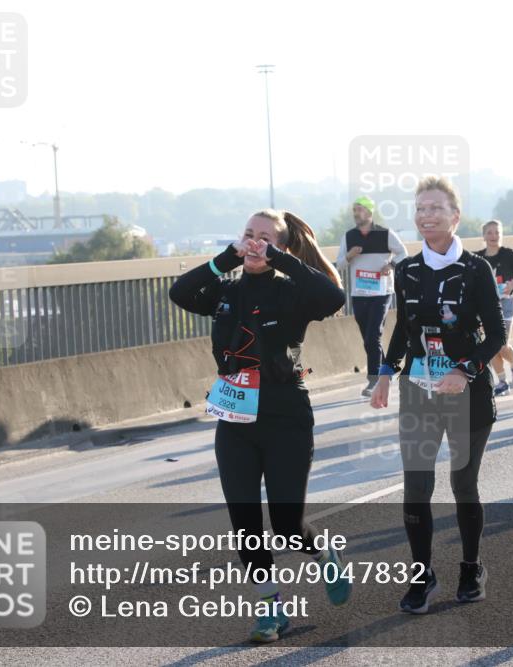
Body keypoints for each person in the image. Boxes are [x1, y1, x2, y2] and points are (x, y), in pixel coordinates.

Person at [169, 209, 350, 643]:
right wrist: (224, 259)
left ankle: (324, 551)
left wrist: (281, 260)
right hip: (234, 420)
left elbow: (333, 299)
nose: (253, 243)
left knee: (287, 527)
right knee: (245, 522)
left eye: (265, 238)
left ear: (281, 247)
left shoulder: (293, 292)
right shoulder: (224, 292)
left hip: (286, 416)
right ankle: (271, 609)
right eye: (248, 235)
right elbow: (180, 291)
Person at [370, 176, 504, 613]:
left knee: (463, 484)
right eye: (420, 208)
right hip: (419, 391)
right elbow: (403, 331)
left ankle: (471, 566)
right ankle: (421, 575)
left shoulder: (475, 269)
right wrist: (387, 373)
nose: (425, 215)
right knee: (416, 487)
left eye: (435, 208)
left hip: (468, 392)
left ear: (455, 216)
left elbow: (497, 334)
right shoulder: (407, 270)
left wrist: (465, 372)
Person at [336, 196, 408, 397]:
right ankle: (387, 369)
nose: (356, 213)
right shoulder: (348, 236)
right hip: (359, 294)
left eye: (359, 209)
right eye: (354, 210)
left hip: (381, 292)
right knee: (369, 339)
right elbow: (340, 264)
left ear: (369, 212)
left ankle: (374, 380)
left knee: (373, 334)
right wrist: (350, 255)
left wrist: (390, 265)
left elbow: (403, 253)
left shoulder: (385, 234)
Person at [475, 219, 513, 395]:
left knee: (502, 344)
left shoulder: (508, 254)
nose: (493, 236)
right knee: (490, 345)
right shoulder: (478, 257)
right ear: (483, 236)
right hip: (485, 306)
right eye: (489, 232)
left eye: (497, 232)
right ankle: (502, 381)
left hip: (506, 304)